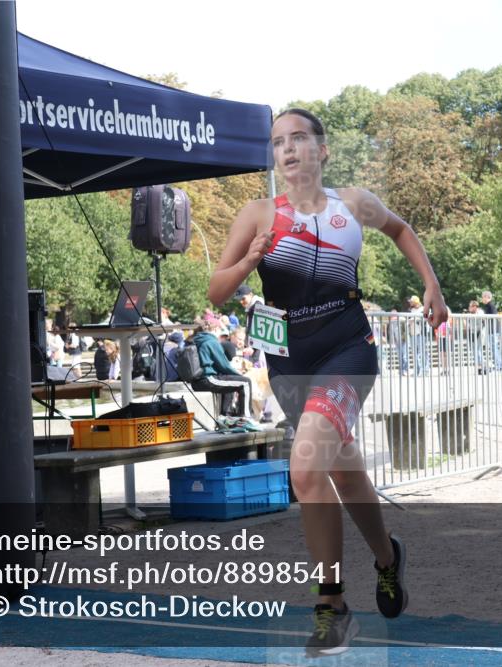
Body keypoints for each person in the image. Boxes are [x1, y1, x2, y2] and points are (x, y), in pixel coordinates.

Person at [207, 107, 448, 656]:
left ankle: (332, 608)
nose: (287, 150)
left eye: (298, 139)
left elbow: (402, 229)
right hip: (289, 355)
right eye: (277, 143)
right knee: (341, 467)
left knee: (305, 464)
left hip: (346, 344)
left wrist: (431, 287)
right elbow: (216, 292)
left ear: (322, 150)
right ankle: (387, 557)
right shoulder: (257, 213)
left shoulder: (353, 202)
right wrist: (247, 261)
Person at [189, 325, 253, 417]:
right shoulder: (211, 342)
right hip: (207, 379)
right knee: (245, 382)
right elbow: (224, 366)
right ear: (215, 328)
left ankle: (226, 416)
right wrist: (240, 375)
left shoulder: (199, 340)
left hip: (198, 381)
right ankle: (246, 418)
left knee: (231, 381)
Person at [481, 290, 502, 371]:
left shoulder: (491, 305)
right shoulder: (488, 306)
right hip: (491, 330)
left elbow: (494, 317)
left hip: (493, 330)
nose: (482, 299)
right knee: (493, 348)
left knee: (494, 348)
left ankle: (499, 364)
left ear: (488, 297)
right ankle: (499, 364)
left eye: (483, 297)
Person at [408, 295, 430, 375]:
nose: (410, 303)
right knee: (414, 353)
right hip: (413, 333)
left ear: (415, 302)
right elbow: (408, 320)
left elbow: (425, 318)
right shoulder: (411, 310)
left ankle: (425, 370)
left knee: (423, 352)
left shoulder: (424, 309)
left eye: (411, 301)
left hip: (421, 333)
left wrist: (414, 319)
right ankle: (417, 370)